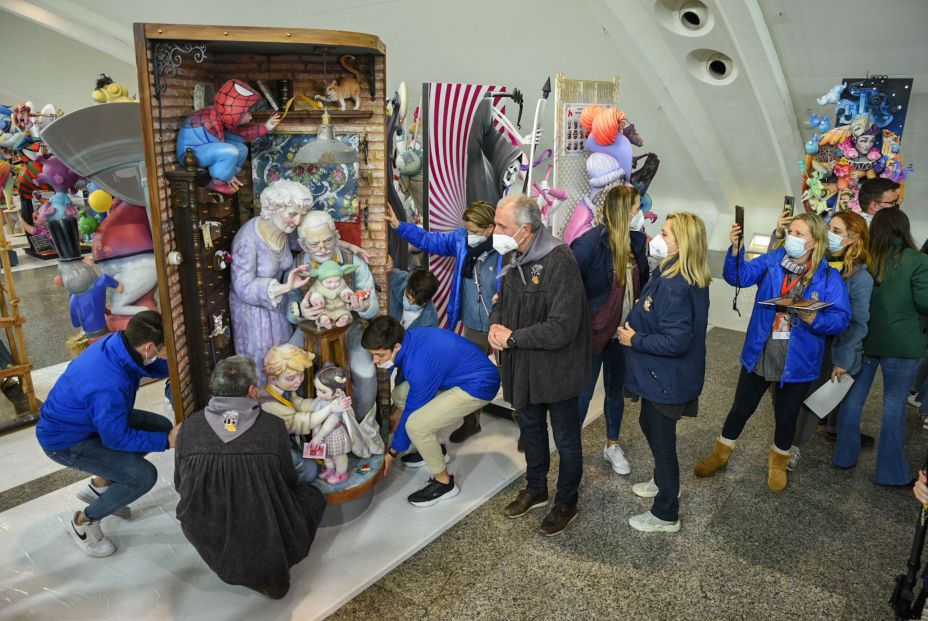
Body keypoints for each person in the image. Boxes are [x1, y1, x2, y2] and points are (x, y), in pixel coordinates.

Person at [694, 213, 850, 492]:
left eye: (800, 234)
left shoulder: (829, 277)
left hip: (798, 361)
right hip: (762, 351)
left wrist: (815, 319)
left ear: (815, 241)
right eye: (791, 232)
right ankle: (721, 453)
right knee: (741, 408)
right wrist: (734, 250)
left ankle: (778, 464)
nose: (792, 237)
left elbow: (842, 319)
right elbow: (738, 277)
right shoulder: (771, 262)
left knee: (787, 416)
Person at [174, 356, 326, 599]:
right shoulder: (273, 426)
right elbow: (288, 480)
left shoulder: (189, 428)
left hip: (209, 527)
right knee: (313, 496)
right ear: (253, 391)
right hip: (266, 521)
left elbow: (180, 484)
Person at [35, 310, 178, 558]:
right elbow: (116, 439)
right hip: (66, 441)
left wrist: (177, 367)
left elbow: (145, 366)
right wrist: (166, 442)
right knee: (143, 476)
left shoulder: (119, 343)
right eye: (164, 348)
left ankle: (102, 486)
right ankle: (83, 523)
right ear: (149, 347)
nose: (163, 353)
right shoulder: (108, 386)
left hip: (88, 419)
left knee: (159, 425)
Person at [489, 194, 591, 536]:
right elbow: (501, 302)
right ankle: (536, 488)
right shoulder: (512, 255)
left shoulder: (560, 260)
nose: (495, 231)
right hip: (523, 369)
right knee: (530, 431)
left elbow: (562, 327)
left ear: (526, 229)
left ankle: (566, 503)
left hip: (557, 370)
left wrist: (512, 338)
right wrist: (494, 325)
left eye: (502, 226)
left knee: (565, 440)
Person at [618, 212, 710, 532]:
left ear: (682, 243)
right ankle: (662, 482)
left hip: (666, 378)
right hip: (659, 376)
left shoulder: (675, 284)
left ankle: (666, 512)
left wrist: (635, 339)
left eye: (667, 234)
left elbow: (677, 340)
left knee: (662, 442)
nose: (659, 237)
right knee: (649, 423)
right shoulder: (672, 272)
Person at [385, 200, 502, 443]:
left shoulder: (506, 248)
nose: (468, 235)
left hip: (503, 322)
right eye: (466, 229)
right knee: (471, 374)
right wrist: (399, 226)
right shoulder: (461, 239)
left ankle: (524, 424)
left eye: (473, 231)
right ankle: (472, 422)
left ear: (490, 228)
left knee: (512, 373)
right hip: (472, 321)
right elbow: (432, 241)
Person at [362, 316, 500, 506]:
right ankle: (438, 450)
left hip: (479, 385)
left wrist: (392, 452)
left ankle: (444, 483)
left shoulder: (420, 366)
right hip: (456, 375)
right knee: (400, 394)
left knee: (417, 426)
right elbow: (406, 381)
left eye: (379, 355)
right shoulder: (409, 336)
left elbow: (412, 410)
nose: (375, 361)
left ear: (396, 347)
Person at [834, 209, 928, 485]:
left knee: (853, 399)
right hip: (902, 344)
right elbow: (925, 302)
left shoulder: (865, 258)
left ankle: (844, 456)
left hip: (866, 340)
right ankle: (891, 472)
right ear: (904, 229)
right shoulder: (917, 260)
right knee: (894, 405)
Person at [570, 184, 649, 477]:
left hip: (623, 334)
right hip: (592, 333)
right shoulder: (590, 244)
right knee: (583, 394)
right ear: (625, 211)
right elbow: (567, 283)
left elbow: (643, 281)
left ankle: (612, 444)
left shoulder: (637, 243)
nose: (641, 212)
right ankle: (571, 448)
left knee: (615, 392)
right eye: (638, 207)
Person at [788, 211, 873, 470]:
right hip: (803, 340)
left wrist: (844, 359)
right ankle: (784, 440)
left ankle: (793, 447)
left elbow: (857, 323)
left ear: (854, 239)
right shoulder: (819, 261)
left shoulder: (860, 278)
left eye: (836, 231)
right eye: (828, 228)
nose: (829, 235)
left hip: (830, 348)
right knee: (790, 396)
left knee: (813, 401)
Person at [287, 210, 380, 417]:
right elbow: (290, 307)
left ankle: (359, 425)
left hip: (350, 328)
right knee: (286, 365)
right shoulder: (299, 266)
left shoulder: (353, 262)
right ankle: (301, 424)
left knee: (364, 372)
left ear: (336, 236)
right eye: (314, 244)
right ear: (302, 245)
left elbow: (373, 307)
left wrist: (362, 306)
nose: (322, 248)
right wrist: (301, 311)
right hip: (311, 329)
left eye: (328, 240)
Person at [230, 179, 312, 383]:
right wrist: (286, 287)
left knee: (285, 361)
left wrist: (348, 247)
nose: (297, 221)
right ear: (273, 208)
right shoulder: (247, 240)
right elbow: (242, 287)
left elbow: (308, 240)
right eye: (292, 214)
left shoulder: (283, 232)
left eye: (301, 215)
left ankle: (287, 405)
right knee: (265, 365)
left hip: (277, 305)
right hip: (253, 315)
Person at [387, 262, 439, 330]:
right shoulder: (395, 278)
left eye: (416, 303)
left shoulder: (430, 323)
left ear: (426, 302)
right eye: (408, 297)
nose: (410, 303)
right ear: (408, 283)